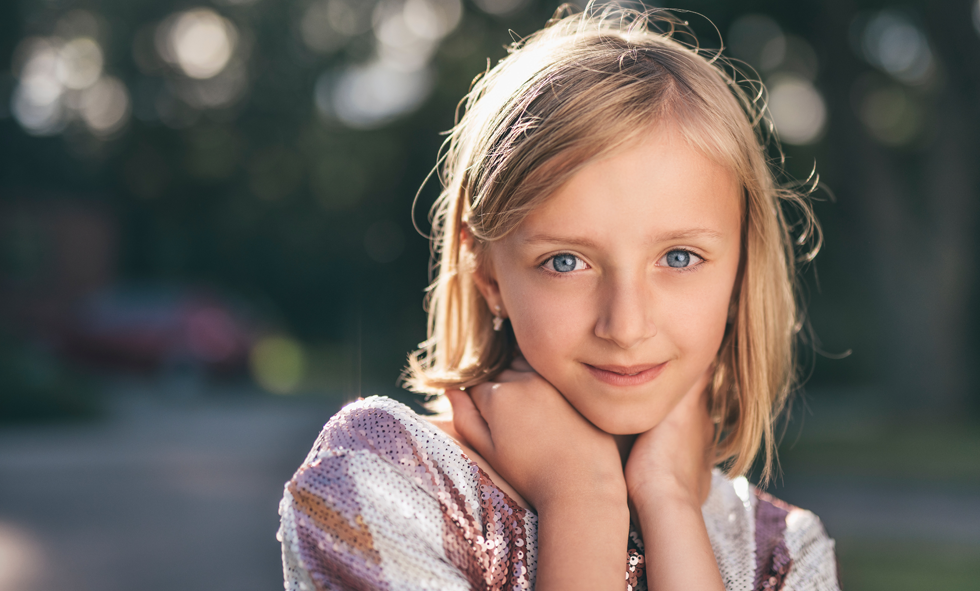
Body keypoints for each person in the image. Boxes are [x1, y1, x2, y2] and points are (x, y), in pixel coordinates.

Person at [278, 4, 840, 590]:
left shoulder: (786, 553)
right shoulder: (380, 483)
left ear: (742, 270)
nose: (625, 325)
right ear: (488, 272)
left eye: (678, 258)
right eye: (565, 262)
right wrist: (582, 498)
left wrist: (670, 502)